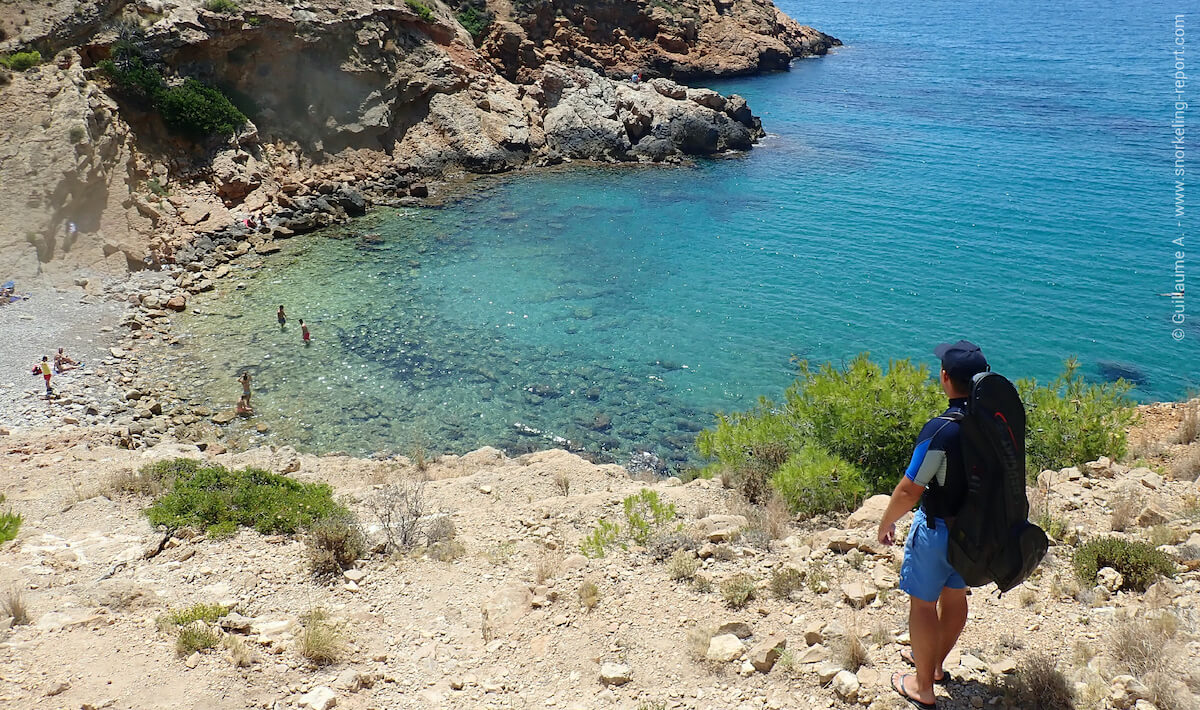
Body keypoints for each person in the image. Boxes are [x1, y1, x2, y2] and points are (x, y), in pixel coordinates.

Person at [877, 340, 989, 710]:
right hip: (974, 531)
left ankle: (922, 687)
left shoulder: (942, 430)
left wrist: (886, 521)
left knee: (923, 605)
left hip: (938, 529)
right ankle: (936, 666)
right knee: (955, 596)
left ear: (945, 377)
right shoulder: (992, 423)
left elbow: (911, 488)